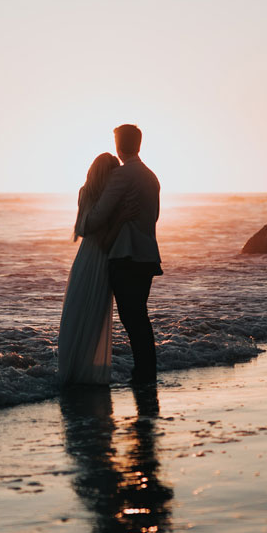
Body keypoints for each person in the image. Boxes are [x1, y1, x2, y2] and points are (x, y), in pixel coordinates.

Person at [83, 124, 162, 383]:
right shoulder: (151, 177)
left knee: (132, 318)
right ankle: (146, 371)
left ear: (118, 146)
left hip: (125, 256)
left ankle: (143, 373)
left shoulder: (122, 175)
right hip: (148, 255)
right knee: (139, 315)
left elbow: (96, 218)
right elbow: (155, 217)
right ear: (138, 144)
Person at [57, 152, 123, 384]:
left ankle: (74, 369)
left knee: (80, 311)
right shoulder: (103, 196)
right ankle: (82, 370)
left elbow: (82, 229)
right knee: (91, 312)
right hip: (100, 256)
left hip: (89, 256)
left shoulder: (97, 194)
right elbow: (84, 227)